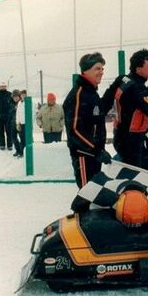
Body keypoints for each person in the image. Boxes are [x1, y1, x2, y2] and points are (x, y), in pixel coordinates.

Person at [63, 52, 121, 199]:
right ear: (86, 70)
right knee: (87, 195)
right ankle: (81, 218)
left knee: (94, 194)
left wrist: (114, 87)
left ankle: (88, 218)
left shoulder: (91, 93)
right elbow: (74, 130)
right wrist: (96, 150)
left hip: (94, 155)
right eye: (97, 68)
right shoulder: (78, 94)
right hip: (84, 155)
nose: (101, 72)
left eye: (102, 69)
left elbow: (100, 110)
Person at [10, 90, 23, 157]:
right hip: (13, 123)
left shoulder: (21, 103)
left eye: (16, 96)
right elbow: (9, 113)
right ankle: (17, 150)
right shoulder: (11, 103)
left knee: (21, 137)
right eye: (14, 97)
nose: (15, 98)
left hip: (20, 123)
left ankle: (21, 151)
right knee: (13, 138)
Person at [15, 90, 28, 155]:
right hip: (21, 124)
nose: (23, 96)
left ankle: (28, 152)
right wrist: (17, 123)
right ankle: (22, 152)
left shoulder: (29, 102)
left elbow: (33, 113)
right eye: (22, 95)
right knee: (22, 138)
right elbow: (17, 114)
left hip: (27, 124)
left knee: (28, 138)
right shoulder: (19, 103)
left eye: (24, 95)